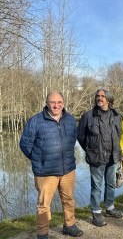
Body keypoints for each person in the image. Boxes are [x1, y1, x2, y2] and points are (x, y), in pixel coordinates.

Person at [20, 92, 83, 239]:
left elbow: (72, 140)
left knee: (68, 199)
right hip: (45, 172)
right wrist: (39, 159)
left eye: (59, 102)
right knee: (43, 206)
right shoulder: (36, 120)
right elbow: (25, 144)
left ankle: (69, 225)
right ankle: (42, 234)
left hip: (67, 169)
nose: (56, 105)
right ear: (47, 103)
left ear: (63, 102)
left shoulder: (70, 120)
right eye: (53, 102)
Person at [77, 89, 123, 227]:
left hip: (113, 157)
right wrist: (91, 150)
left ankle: (109, 208)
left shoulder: (116, 115)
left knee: (111, 184)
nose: (99, 98)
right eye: (97, 96)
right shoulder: (88, 116)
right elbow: (81, 136)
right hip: (96, 157)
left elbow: (118, 135)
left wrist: (119, 152)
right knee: (96, 186)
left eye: (102, 96)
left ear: (108, 99)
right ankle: (96, 212)